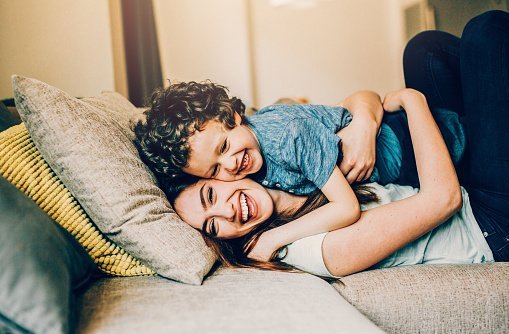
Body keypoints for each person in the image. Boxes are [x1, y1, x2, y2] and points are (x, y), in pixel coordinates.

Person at [165, 10, 509, 276]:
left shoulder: (265, 163)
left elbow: (350, 105)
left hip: (447, 171)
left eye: (211, 194)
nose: (227, 210)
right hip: (486, 221)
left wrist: (363, 122)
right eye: (213, 226)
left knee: (426, 48)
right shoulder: (299, 245)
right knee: (487, 30)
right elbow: (442, 199)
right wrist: (411, 100)